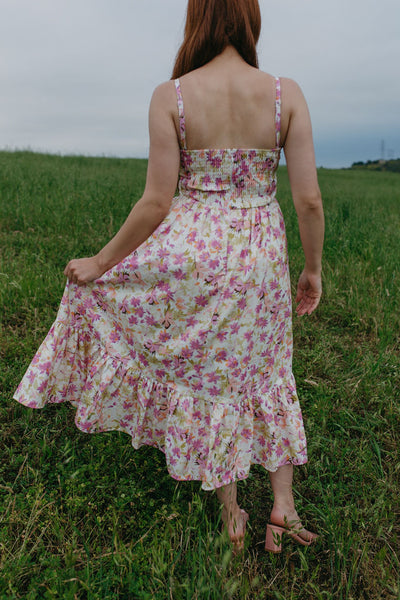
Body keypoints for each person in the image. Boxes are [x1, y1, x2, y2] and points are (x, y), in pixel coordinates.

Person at [13, 0, 324, 554]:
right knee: (269, 370)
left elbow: (157, 201)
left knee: (213, 376)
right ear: (251, 20)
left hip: (193, 254)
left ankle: (232, 513)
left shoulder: (172, 96)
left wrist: (101, 264)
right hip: (260, 257)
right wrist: (313, 268)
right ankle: (284, 508)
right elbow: (308, 200)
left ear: (196, 20)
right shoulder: (285, 94)